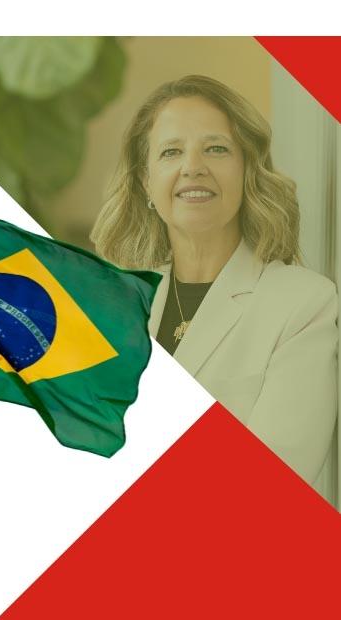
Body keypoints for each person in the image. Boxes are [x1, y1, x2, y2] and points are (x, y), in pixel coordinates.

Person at [92, 75, 338, 491]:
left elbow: (272, 484)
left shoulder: (303, 304)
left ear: (247, 171)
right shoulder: (115, 308)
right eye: (171, 152)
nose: (193, 167)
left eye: (216, 149)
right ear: (146, 183)